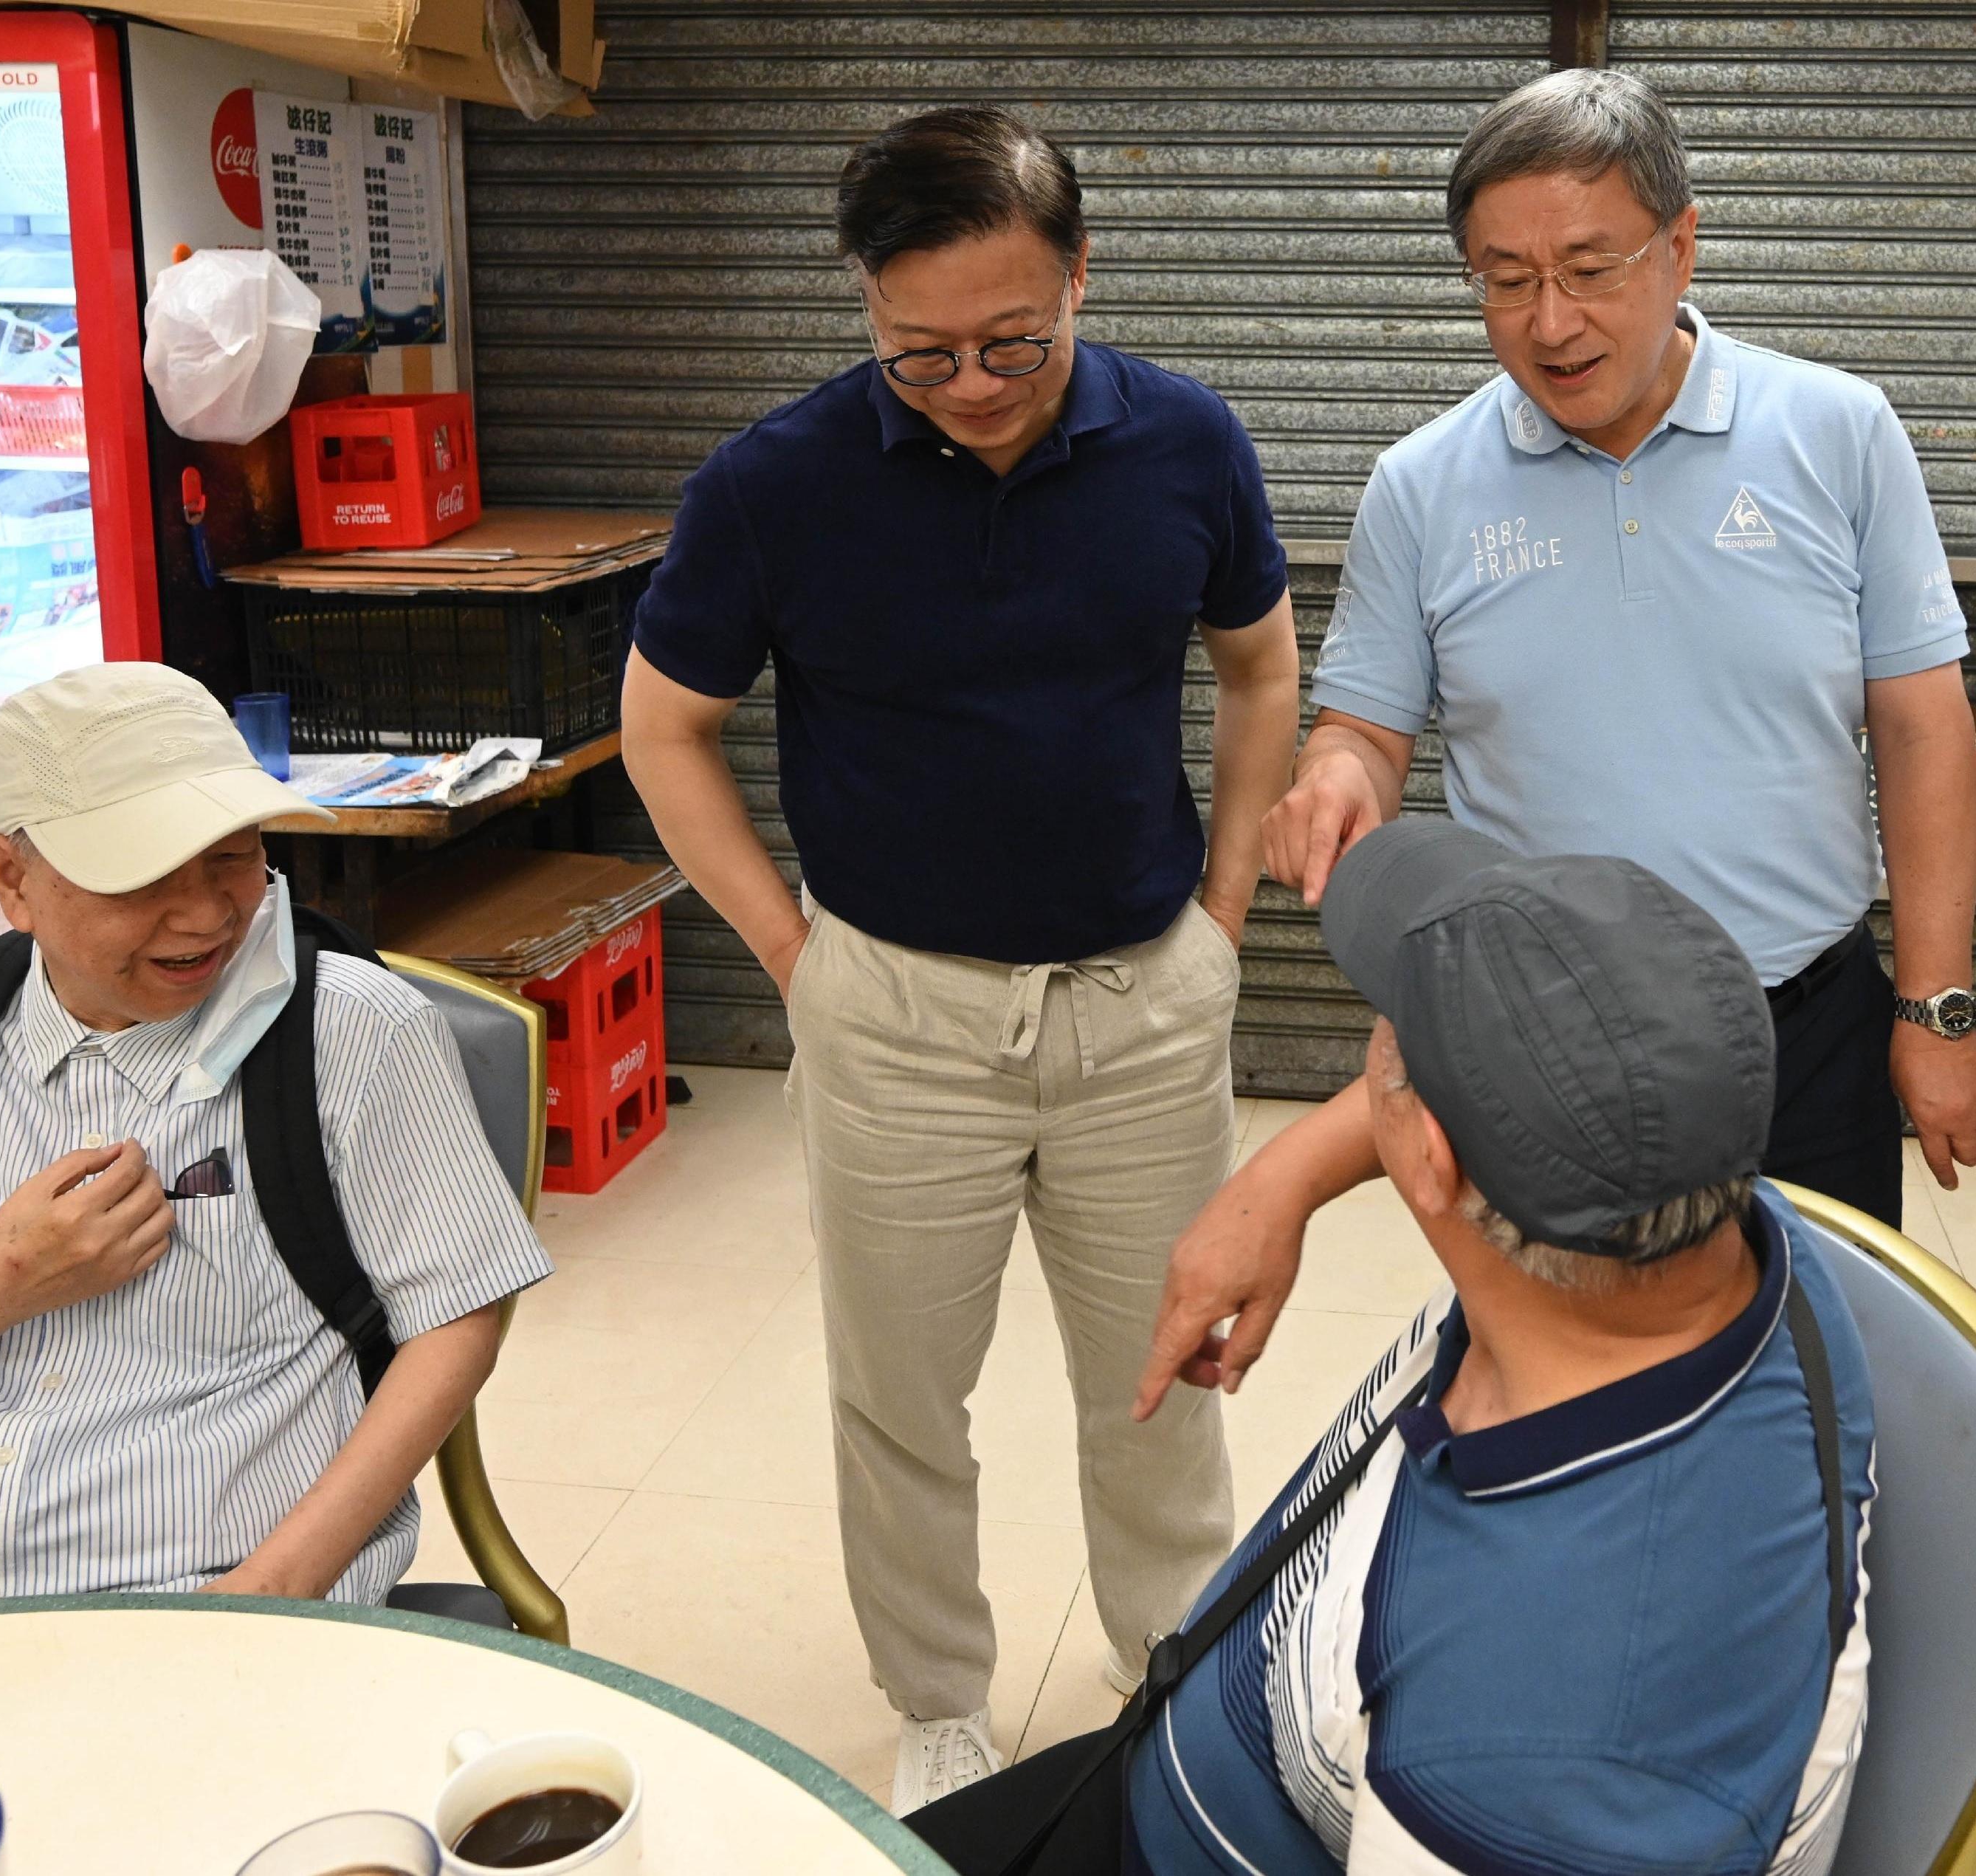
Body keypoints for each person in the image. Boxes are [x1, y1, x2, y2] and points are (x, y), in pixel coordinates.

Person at [1130, 67, 1976, 1418]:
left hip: (1805, 1026)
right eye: (1503, 280)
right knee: (1560, 1395)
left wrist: (1932, 1007)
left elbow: (1920, 727)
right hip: (1540, 1054)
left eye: (1589, 268)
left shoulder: (1835, 431)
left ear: (1682, 243)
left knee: (1820, 1395)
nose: (1548, 321)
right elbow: (1359, 728)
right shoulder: (1422, 484)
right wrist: (1334, 784)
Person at [618, 105, 1300, 1810]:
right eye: (920, 357)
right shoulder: (776, 484)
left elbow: (1263, 668)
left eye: (1013, 341)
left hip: (1142, 1000)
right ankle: (936, 1692)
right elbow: (664, 730)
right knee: (901, 1390)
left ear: (1079, 272)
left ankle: (1171, 1661)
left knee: (1162, 1366)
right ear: (864, 311)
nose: (975, 384)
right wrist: (792, 957)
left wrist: (1222, 919)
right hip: (896, 1014)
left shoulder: (1187, 443)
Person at [912, 819, 1873, 1876]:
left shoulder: (1537, 1753)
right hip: (1186, 1758)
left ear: (1433, 1157)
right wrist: (1286, 1178)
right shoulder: (1740, 1243)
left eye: (1391, 1033)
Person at [0, 663, 554, 1612]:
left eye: (232, 853)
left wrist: (275, 1585)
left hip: (223, 1606)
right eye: (142, 875)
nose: (207, 913)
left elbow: (452, 1318)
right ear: (14, 881)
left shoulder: (353, 1034)